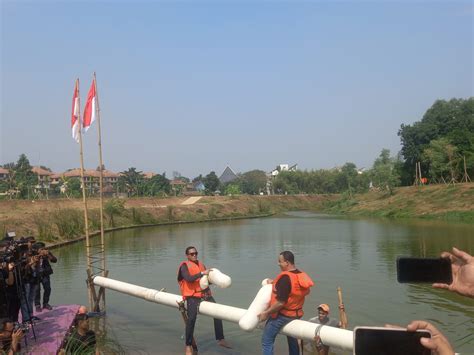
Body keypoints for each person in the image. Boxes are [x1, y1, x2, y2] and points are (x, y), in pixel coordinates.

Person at [258, 251, 314, 355]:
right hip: (297, 314)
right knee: (293, 341)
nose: (278, 264)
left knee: (267, 341)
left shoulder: (285, 278)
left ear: (287, 263)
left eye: (280, 261)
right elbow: (291, 287)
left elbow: (280, 303)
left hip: (283, 316)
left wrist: (266, 313)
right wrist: (274, 281)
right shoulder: (299, 274)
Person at [177, 246, 231, 355]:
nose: (194, 255)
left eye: (195, 253)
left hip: (205, 294)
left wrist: (217, 280)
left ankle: (220, 339)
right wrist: (202, 273)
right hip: (192, 295)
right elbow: (188, 278)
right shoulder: (184, 266)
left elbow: (205, 281)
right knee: (191, 319)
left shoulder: (201, 265)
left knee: (218, 312)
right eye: (191, 254)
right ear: (187, 256)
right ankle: (188, 346)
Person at [34, 242, 57, 312]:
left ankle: (45, 303)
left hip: (45, 274)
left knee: (48, 288)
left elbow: (54, 260)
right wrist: (39, 255)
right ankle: (37, 305)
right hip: (36, 275)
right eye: (41, 249)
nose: (43, 250)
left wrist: (48, 255)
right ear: (37, 250)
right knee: (36, 290)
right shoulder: (33, 254)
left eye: (44, 248)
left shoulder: (47, 253)